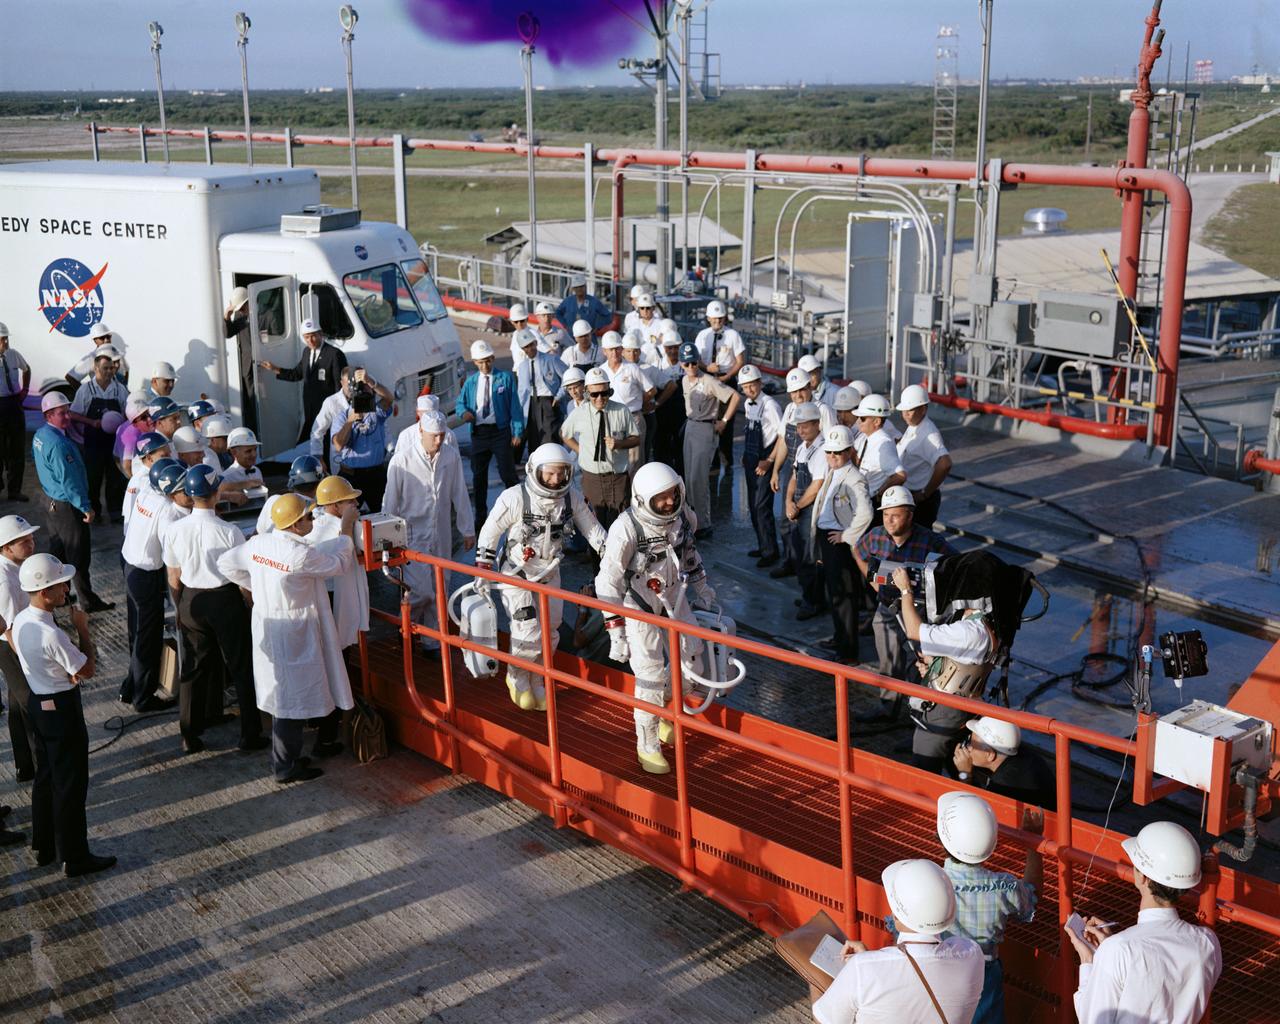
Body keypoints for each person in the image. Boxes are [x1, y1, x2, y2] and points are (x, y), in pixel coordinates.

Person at [217, 493, 356, 784]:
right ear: (294, 525)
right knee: (289, 700)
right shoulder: (299, 555)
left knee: (284, 694)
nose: (313, 520)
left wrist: (255, 587)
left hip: (270, 625)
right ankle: (285, 766)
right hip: (295, 631)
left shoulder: (258, 544)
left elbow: (225, 563)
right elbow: (339, 565)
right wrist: (346, 528)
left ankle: (288, 757)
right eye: (308, 517)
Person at [595, 463, 718, 775]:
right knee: (649, 674)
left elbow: (689, 555)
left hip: (673, 598)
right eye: (661, 498)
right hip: (638, 605)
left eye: (672, 494)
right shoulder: (626, 529)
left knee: (694, 663)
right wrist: (615, 631)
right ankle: (647, 743)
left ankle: (660, 706)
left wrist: (704, 589)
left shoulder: (683, 518)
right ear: (642, 499)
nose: (669, 502)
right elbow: (607, 582)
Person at [476, 443, 607, 710]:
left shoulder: (570, 498)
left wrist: (615, 557)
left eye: (561, 473)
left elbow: (595, 532)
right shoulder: (515, 497)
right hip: (517, 574)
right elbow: (490, 531)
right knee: (528, 630)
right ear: (534, 470)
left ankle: (537, 679)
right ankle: (517, 678)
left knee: (550, 631)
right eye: (549, 473)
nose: (556, 480)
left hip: (549, 573)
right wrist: (483, 568)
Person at [12, 552, 115, 876]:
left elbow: (12, 638)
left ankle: (44, 846)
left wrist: (47, 669)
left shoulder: (23, 620)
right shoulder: (51, 633)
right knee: (71, 784)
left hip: (38, 703)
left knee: (46, 776)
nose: (66, 589)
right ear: (45, 592)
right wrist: (82, 630)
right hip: (61, 710)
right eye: (61, 585)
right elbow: (86, 669)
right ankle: (75, 856)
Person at [1066, 820, 1222, 1024]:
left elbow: (1092, 1020)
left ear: (1143, 878)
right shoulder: (1208, 943)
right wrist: (1108, 952)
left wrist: (1089, 960)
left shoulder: (1117, 949)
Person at [164, 464, 267, 755]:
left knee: (193, 669)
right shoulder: (229, 531)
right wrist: (251, 602)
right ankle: (250, 734)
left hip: (191, 599)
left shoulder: (175, 530)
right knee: (240, 666)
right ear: (214, 493)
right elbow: (241, 576)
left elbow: (174, 576)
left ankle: (189, 734)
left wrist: (180, 608)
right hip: (224, 600)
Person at [813, 859, 983, 1024]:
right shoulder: (973, 956)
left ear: (896, 915)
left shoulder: (861, 969)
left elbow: (823, 1020)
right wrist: (871, 962)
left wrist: (813, 976)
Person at [935, 791, 1041, 1024]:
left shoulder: (930, 883)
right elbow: (1031, 896)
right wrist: (1033, 843)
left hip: (938, 973)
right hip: (985, 977)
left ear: (941, 839)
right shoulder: (1004, 887)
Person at [853, 487, 956, 719]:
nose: (889, 521)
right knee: (888, 660)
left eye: (895, 515)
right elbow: (858, 551)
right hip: (887, 607)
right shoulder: (876, 535)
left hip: (919, 613)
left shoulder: (930, 541)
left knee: (919, 662)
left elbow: (956, 564)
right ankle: (888, 708)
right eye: (885, 515)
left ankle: (920, 711)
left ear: (910, 515)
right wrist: (873, 580)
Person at [382, 412, 474, 649]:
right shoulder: (402, 461)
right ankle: (405, 626)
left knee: (440, 586)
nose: (439, 440)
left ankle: (432, 640)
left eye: (442, 435)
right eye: (434, 436)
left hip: (440, 532)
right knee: (421, 591)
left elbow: (459, 492)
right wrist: (386, 540)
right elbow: (390, 503)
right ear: (421, 432)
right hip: (412, 535)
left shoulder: (450, 456)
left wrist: (467, 529)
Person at [893, 562, 996, 772]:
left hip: (945, 710)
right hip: (961, 704)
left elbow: (913, 630)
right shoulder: (986, 623)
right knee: (953, 760)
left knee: (924, 764)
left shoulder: (970, 630)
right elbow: (964, 662)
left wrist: (905, 590)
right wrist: (935, 667)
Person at [32, 393, 112, 612]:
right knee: (78, 555)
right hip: (67, 506)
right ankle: (88, 601)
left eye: (68, 412)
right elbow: (69, 480)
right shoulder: (59, 444)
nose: (68, 417)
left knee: (58, 553)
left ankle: (60, 595)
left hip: (51, 502)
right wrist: (85, 507)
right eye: (62, 413)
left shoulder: (40, 435)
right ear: (48, 415)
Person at [122, 457, 188, 713]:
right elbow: (173, 555)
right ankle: (143, 697)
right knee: (147, 640)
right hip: (146, 577)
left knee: (138, 634)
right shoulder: (168, 512)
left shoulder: (148, 492)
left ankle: (131, 687)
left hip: (130, 565)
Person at [808, 425, 873, 659]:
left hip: (839, 543)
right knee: (835, 594)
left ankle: (848, 652)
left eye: (838, 452)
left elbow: (866, 514)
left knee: (844, 596)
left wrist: (845, 536)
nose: (832, 456)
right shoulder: (834, 471)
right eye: (829, 452)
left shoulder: (854, 478)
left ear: (849, 451)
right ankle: (840, 638)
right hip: (828, 539)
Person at [769, 367, 835, 580]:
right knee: (786, 520)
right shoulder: (790, 409)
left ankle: (810, 573)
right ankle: (790, 562)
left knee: (809, 527)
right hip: (795, 467)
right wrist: (775, 470)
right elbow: (783, 440)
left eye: (802, 389)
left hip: (816, 470)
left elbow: (832, 445)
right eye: (794, 391)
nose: (798, 395)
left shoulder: (823, 410)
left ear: (810, 387)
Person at [560, 367, 637, 531]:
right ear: (587, 393)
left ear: (610, 390)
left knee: (621, 525)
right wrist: (581, 450)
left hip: (618, 478)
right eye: (594, 394)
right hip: (592, 479)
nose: (600, 398)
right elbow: (564, 434)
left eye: (604, 393)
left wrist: (619, 444)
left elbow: (636, 438)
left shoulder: (621, 410)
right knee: (594, 524)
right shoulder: (580, 413)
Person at [455, 339, 523, 527]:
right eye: (480, 362)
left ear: (492, 358)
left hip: (500, 432)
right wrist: (464, 413)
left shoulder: (505, 378)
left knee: (507, 473)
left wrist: (517, 431)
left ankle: (519, 509)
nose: (485, 365)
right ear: (475, 362)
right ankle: (480, 516)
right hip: (479, 434)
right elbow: (460, 404)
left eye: (487, 360)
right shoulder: (471, 382)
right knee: (479, 476)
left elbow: (515, 406)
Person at [680, 342, 739, 538]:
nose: (691, 367)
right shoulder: (685, 381)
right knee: (689, 477)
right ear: (681, 364)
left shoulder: (708, 381)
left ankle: (704, 523)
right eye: (687, 364)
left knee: (699, 479)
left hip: (705, 428)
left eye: (694, 363)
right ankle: (692, 519)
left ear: (699, 361)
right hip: (690, 425)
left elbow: (735, 397)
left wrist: (724, 421)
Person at [258, 318, 348, 444]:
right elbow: (296, 374)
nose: (310, 340)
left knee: (321, 445)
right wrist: (275, 369)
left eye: (313, 336)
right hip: (310, 413)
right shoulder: (306, 352)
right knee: (308, 444)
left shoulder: (334, 354)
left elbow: (341, 387)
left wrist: (340, 415)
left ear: (320, 334)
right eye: (306, 337)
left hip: (328, 414)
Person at [0, 514, 39, 782]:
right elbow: (9, 628)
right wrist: (27, 662)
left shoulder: (15, 567)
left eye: (31, 538)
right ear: (6, 548)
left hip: (15, 643)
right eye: (23, 541)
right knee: (30, 705)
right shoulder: (6, 581)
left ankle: (25, 767)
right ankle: (40, 767)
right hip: (12, 647)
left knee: (16, 705)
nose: (31, 544)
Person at [70, 347, 129, 522]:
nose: (110, 371)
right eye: (105, 368)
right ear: (95, 369)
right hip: (93, 441)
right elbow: (73, 414)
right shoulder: (85, 390)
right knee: (93, 478)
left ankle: (115, 512)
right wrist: (92, 422)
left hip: (114, 442)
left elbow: (127, 413)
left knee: (115, 477)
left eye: (112, 368)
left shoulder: (120, 390)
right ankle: (95, 512)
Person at [783, 402, 828, 621]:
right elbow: (794, 477)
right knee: (798, 555)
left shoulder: (822, 450)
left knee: (810, 559)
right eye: (798, 426)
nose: (800, 430)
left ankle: (813, 602)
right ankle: (808, 595)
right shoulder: (803, 448)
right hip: (799, 509)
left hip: (811, 511)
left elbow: (817, 485)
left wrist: (797, 506)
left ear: (817, 424)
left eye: (805, 426)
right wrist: (787, 501)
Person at [953, 717, 1058, 811]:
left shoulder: (1000, 787)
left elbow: (973, 810)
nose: (966, 747)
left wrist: (964, 773)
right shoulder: (1027, 755)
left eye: (971, 744)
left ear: (990, 754)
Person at [694, 300, 747, 472]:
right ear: (708, 318)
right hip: (708, 378)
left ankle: (727, 461)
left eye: (720, 318)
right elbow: (696, 360)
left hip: (726, 378)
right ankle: (713, 461)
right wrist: (707, 368)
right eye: (714, 318)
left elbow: (740, 360)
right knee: (708, 418)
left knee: (726, 421)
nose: (717, 321)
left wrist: (727, 376)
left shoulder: (733, 335)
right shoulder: (702, 335)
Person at [738, 364, 782, 568]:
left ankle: (771, 551)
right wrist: (746, 454)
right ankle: (762, 545)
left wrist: (769, 460)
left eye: (752, 385)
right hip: (751, 457)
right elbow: (750, 430)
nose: (749, 390)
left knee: (762, 506)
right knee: (752, 505)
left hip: (766, 457)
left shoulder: (771, 405)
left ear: (760, 383)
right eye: (745, 387)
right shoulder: (748, 403)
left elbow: (781, 435)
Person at [331, 367, 393, 512]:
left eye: (366, 388)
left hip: (376, 475)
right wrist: (350, 421)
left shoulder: (376, 412)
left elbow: (389, 398)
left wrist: (371, 381)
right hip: (352, 476)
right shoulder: (342, 417)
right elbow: (338, 445)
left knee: (385, 513)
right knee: (347, 515)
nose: (364, 392)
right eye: (360, 389)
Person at [896, 384, 952, 529]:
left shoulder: (928, 434)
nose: (905, 414)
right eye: (904, 410)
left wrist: (925, 494)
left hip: (920, 501)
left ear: (923, 409)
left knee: (919, 539)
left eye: (910, 410)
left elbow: (945, 463)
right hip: (910, 496)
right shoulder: (914, 425)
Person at [600, 332, 653, 481]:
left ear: (621, 349)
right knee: (614, 460)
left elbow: (651, 389)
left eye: (617, 348)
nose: (614, 352)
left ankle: (636, 492)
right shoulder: (601, 371)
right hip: (611, 419)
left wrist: (641, 403)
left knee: (635, 461)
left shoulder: (632, 368)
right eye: (611, 349)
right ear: (604, 351)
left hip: (633, 418)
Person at [853, 394, 906, 515]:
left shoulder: (883, 444)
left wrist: (880, 494)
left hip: (873, 505)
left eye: (862, 418)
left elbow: (900, 475)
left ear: (877, 421)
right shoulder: (869, 438)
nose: (858, 421)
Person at [515, 330, 565, 454]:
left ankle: (553, 459)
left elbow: (568, 377)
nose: (530, 348)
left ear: (536, 343)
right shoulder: (522, 366)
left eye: (531, 344)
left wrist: (559, 396)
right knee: (534, 437)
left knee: (550, 436)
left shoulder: (551, 359)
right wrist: (518, 409)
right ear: (522, 349)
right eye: (526, 347)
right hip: (531, 404)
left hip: (548, 401)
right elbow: (522, 391)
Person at [0, 323, 31, 502]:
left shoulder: (13, 354)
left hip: (13, 404)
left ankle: (14, 490)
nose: (5, 342)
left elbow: (27, 369)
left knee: (17, 449)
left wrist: (25, 389)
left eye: (6, 338)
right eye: (2, 339)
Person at [650, 329, 686, 471]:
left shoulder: (686, 365)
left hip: (681, 413)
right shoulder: (657, 365)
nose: (673, 351)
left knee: (680, 446)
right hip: (662, 412)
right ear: (664, 348)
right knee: (661, 445)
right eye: (669, 348)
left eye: (676, 347)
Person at [65, 322, 129, 386]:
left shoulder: (117, 353)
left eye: (108, 337)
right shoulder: (92, 358)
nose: (106, 340)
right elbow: (70, 377)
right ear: (95, 340)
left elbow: (126, 371)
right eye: (102, 338)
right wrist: (86, 391)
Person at [114, 392, 152, 479]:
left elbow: (115, 455)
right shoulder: (131, 435)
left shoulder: (128, 426)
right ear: (134, 424)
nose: (150, 419)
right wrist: (134, 482)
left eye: (149, 414)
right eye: (144, 418)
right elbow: (126, 466)